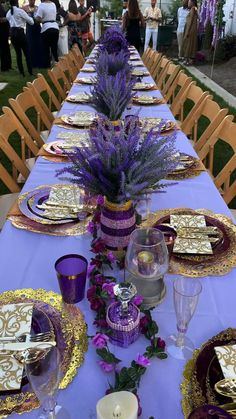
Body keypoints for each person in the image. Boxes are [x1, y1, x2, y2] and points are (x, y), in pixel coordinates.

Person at [6, 0, 33, 76]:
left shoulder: (8, 13)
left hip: (13, 35)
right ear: (17, 3)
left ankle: (22, 73)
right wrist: (28, 15)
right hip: (20, 33)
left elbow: (10, 20)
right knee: (27, 53)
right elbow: (31, 22)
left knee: (18, 55)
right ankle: (30, 72)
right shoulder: (20, 11)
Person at [35, 0, 59, 67]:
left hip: (46, 27)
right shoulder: (53, 4)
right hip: (55, 27)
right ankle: (57, 62)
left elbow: (38, 18)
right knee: (54, 47)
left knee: (46, 48)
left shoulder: (42, 5)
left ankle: (47, 64)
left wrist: (37, 18)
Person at [23, 0, 46, 68]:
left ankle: (39, 62)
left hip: (37, 27)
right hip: (29, 28)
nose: (32, 1)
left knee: (38, 44)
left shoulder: (38, 8)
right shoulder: (25, 8)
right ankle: (32, 63)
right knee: (30, 45)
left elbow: (42, 18)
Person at [181, 0, 198, 65]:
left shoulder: (193, 9)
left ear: (192, 3)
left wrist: (187, 31)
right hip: (192, 30)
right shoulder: (194, 9)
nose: (188, 3)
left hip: (190, 30)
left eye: (189, 2)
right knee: (190, 45)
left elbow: (190, 21)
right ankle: (189, 60)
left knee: (188, 45)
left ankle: (187, 60)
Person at [0, 0, 12, 71]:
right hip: (1, 31)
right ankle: (4, 67)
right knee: (3, 49)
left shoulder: (2, 6)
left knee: (7, 48)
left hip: (5, 31)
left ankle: (8, 66)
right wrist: (7, 18)